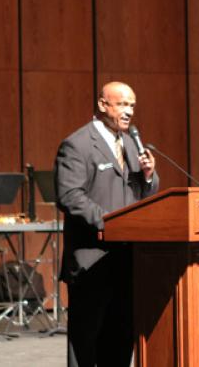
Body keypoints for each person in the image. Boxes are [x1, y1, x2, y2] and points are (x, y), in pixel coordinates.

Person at [55, 81, 160, 367]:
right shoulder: (77, 144)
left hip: (126, 259)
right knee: (87, 342)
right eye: (122, 104)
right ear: (103, 105)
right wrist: (109, 222)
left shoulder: (129, 143)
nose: (129, 112)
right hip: (92, 260)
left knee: (121, 338)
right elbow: (69, 196)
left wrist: (148, 177)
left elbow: (142, 195)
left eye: (132, 106)